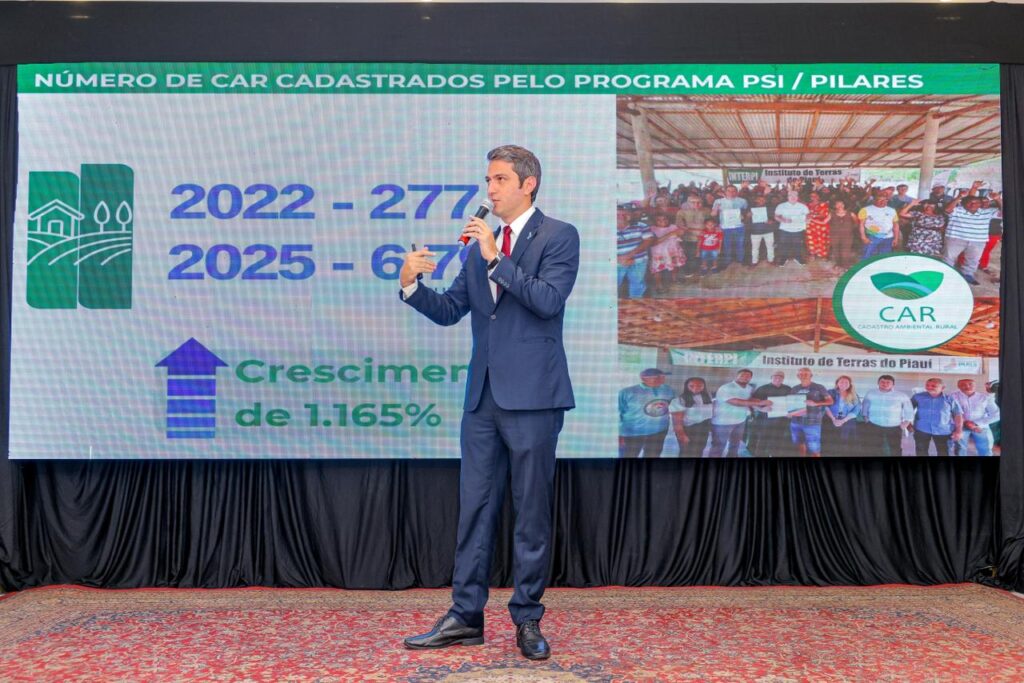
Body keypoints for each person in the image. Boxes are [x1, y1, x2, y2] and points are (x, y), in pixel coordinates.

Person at [400, 145, 579, 660]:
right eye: (488, 179)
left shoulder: (558, 235)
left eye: (500, 179)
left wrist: (496, 259)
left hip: (534, 398)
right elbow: (450, 309)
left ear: (528, 183)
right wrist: (411, 283)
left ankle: (527, 618)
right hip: (482, 398)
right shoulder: (479, 245)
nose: (490, 189)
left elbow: (547, 301)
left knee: (531, 512)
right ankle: (464, 616)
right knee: (475, 509)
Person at [942, 184, 1003, 285]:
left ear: (980, 204)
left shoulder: (987, 212)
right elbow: (947, 210)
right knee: (949, 257)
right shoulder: (957, 210)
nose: (973, 204)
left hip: (978, 240)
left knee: (973, 260)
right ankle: (946, 275)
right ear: (964, 203)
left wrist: (998, 199)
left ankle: (968, 275)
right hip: (956, 238)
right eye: (970, 202)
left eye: (976, 202)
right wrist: (959, 197)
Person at [709, 369, 769, 457]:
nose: (745, 377)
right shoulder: (726, 387)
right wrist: (760, 403)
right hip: (723, 422)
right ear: (736, 376)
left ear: (750, 378)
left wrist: (760, 409)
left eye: (748, 376)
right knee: (718, 446)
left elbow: (749, 401)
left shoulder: (749, 388)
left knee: (735, 444)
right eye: (742, 375)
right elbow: (735, 402)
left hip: (740, 421)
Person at [619, 368, 675, 458]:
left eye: (663, 377)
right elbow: (618, 414)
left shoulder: (668, 389)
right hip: (633, 433)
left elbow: (671, 406)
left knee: (653, 455)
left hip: (659, 431)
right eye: (656, 377)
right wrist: (619, 434)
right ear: (643, 378)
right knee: (629, 456)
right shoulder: (627, 392)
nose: (661, 379)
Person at [861, 375, 913, 457]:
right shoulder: (871, 393)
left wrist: (906, 423)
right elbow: (865, 405)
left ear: (893, 384)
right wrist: (865, 417)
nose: (885, 384)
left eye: (888, 382)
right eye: (882, 382)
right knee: (874, 447)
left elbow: (909, 410)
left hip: (894, 426)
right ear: (878, 383)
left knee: (895, 448)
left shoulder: (901, 395)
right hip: (874, 424)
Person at [787, 367, 833, 457]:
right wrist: (789, 413)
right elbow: (791, 404)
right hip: (795, 422)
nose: (803, 376)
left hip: (812, 423)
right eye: (801, 374)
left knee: (814, 449)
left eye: (806, 374)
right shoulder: (794, 388)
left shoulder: (819, 387)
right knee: (799, 445)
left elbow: (830, 401)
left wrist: (816, 403)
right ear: (797, 376)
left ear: (811, 375)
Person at [911, 378, 963, 456]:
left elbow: (958, 415)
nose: (929, 387)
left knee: (944, 452)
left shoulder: (950, 399)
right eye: (927, 385)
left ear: (943, 387)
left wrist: (959, 430)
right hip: (922, 429)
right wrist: (908, 424)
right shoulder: (917, 397)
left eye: (933, 386)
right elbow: (908, 410)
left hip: (943, 430)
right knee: (921, 451)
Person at [950, 378, 1000, 456]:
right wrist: (965, 423)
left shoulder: (985, 397)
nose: (967, 386)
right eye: (963, 385)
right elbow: (949, 412)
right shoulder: (952, 397)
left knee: (985, 448)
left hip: (980, 426)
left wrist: (976, 423)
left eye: (970, 384)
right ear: (958, 386)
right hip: (960, 426)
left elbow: (997, 414)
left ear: (975, 385)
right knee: (960, 449)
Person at [748, 371, 791, 457]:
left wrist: (791, 412)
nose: (778, 378)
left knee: (778, 441)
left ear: (783, 379)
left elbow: (792, 403)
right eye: (775, 376)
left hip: (782, 420)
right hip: (764, 420)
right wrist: (761, 409)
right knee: (763, 441)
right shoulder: (762, 388)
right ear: (771, 377)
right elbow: (752, 403)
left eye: (781, 377)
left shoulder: (788, 389)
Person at [669, 377, 713, 457]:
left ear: (704, 386)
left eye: (700, 386)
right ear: (686, 386)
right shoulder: (679, 400)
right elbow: (677, 421)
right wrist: (681, 434)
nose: (696, 388)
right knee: (686, 452)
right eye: (691, 386)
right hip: (689, 429)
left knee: (699, 450)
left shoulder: (707, 397)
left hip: (704, 428)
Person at [617, 205, 654, 298]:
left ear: (630, 215)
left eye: (625, 214)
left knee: (637, 284)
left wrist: (628, 256)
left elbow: (648, 241)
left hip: (638, 261)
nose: (622, 217)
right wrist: (619, 260)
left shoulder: (641, 225)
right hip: (615, 262)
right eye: (617, 214)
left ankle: (635, 303)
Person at [710, 185, 748, 269]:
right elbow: (713, 214)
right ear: (725, 192)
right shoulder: (718, 201)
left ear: (737, 192)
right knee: (727, 245)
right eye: (729, 191)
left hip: (739, 226)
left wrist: (743, 216)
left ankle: (740, 260)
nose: (731, 192)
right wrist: (716, 209)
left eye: (733, 191)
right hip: (725, 227)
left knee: (740, 244)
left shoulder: (742, 201)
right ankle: (728, 261)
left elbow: (746, 211)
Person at [647, 211, 686, 292]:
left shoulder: (673, 227)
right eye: (659, 220)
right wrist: (670, 234)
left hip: (673, 252)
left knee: (675, 265)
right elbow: (654, 242)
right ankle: (659, 285)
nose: (663, 221)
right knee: (657, 269)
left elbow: (681, 234)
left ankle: (674, 279)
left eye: (665, 219)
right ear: (654, 221)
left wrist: (682, 230)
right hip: (658, 253)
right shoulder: (652, 229)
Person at [824, 375, 860, 455]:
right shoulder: (830, 392)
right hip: (830, 419)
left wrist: (843, 420)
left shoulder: (854, 395)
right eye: (841, 382)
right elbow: (825, 406)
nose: (844, 384)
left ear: (850, 384)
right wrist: (833, 419)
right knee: (830, 440)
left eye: (846, 382)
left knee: (845, 440)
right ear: (837, 383)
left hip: (847, 420)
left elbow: (856, 410)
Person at [858, 192, 900, 259]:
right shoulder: (865, 210)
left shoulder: (892, 210)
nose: (883, 202)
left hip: (888, 237)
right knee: (866, 256)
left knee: (884, 257)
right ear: (874, 200)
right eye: (880, 200)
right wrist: (863, 237)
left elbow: (896, 225)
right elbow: (861, 225)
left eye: (885, 200)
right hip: (872, 236)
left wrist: (896, 238)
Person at [773, 190, 809, 266]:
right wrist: (783, 220)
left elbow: (808, 216)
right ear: (787, 197)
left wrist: (807, 220)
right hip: (785, 229)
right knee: (784, 245)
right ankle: (784, 258)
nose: (793, 197)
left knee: (798, 245)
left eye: (795, 195)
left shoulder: (803, 206)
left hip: (798, 229)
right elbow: (776, 216)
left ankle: (798, 258)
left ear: (798, 197)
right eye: (791, 195)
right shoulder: (781, 206)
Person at [675, 193, 707, 274]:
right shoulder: (681, 212)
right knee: (690, 255)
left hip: (703, 238)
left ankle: (700, 270)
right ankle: (689, 271)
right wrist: (695, 231)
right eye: (693, 202)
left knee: (702, 255)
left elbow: (710, 223)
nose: (696, 204)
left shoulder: (706, 211)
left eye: (699, 202)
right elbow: (680, 225)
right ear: (688, 203)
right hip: (689, 238)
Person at [830, 199, 860, 270]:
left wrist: (850, 229)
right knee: (836, 250)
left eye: (841, 204)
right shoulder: (831, 214)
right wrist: (812, 219)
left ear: (844, 205)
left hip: (847, 236)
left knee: (845, 251)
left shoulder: (851, 214)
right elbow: (824, 222)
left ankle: (846, 266)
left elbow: (856, 222)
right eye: (837, 204)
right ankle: (838, 264)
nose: (840, 206)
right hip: (835, 235)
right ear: (835, 206)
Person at [747, 194, 776, 267]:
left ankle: (771, 260)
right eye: (759, 199)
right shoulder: (751, 209)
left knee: (770, 246)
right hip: (755, 231)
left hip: (768, 230)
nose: (761, 201)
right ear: (756, 200)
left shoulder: (769, 208)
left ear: (765, 200)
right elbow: (746, 221)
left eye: (763, 200)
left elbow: (774, 218)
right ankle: (754, 262)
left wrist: (771, 221)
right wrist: (748, 216)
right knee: (755, 248)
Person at [804, 192, 831, 260]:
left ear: (818, 197)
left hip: (821, 225)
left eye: (815, 196)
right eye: (812, 196)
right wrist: (808, 217)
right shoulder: (807, 205)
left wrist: (812, 216)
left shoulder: (823, 204)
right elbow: (805, 214)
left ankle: (822, 255)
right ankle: (812, 254)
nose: (813, 197)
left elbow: (824, 215)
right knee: (811, 240)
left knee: (822, 240)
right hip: (810, 225)